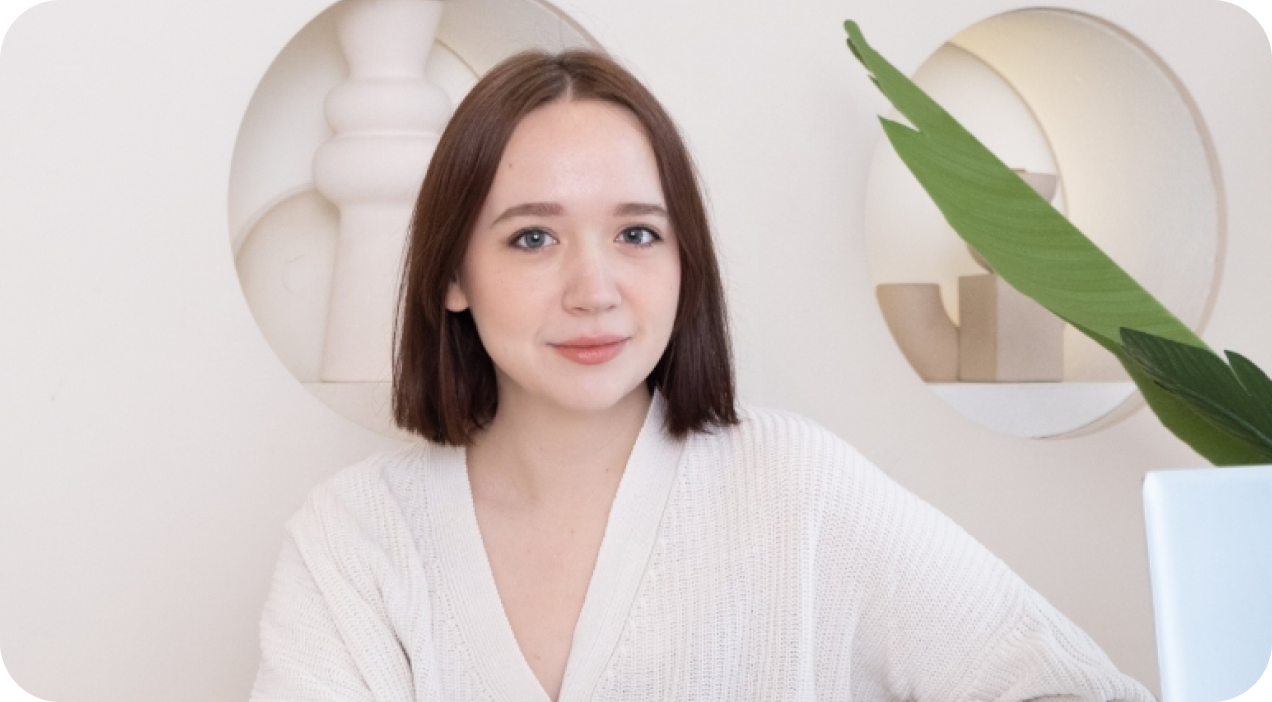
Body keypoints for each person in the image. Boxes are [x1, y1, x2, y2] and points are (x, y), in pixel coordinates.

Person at [250, 50, 1155, 702]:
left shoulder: (798, 488)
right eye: (532, 237)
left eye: (637, 233)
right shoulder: (355, 542)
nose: (594, 290)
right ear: (453, 273)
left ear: (686, 262)